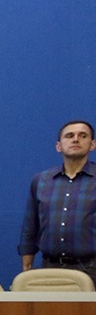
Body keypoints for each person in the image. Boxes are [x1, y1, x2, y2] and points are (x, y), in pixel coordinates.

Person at [18, 119, 96, 286]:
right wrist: (27, 266)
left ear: (92, 144)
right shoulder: (41, 181)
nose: (76, 139)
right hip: (50, 267)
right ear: (59, 146)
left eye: (83, 136)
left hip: (92, 267)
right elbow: (30, 226)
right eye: (69, 136)